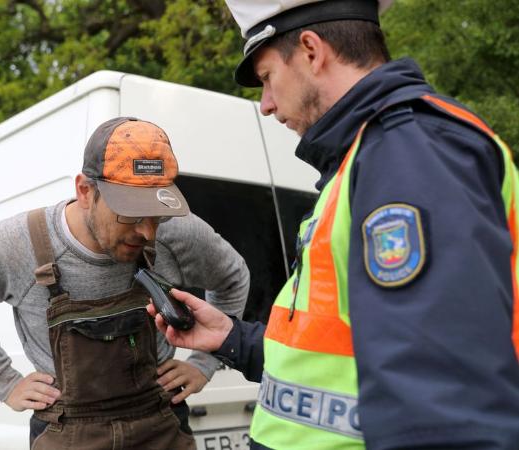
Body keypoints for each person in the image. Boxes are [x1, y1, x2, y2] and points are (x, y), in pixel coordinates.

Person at [149, 1, 519, 449]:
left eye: (266, 78)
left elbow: (441, 409)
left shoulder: (408, 155)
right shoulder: (364, 159)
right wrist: (231, 338)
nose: (265, 105)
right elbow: (332, 354)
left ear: (311, 50)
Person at [0, 117, 250, 449]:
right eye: (130, 214)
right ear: (85, 191)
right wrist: (4, 382)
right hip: (66, 431)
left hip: (161, 425)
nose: (147, 232)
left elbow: (233, 277)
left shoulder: (179, 234)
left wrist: (205, 363)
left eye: (156, 215)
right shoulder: (16, 244)